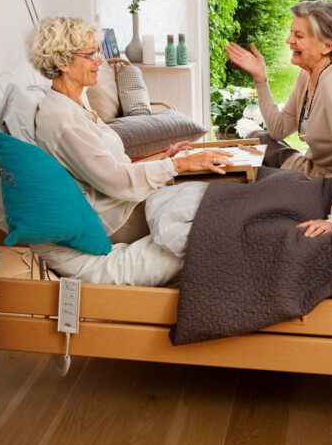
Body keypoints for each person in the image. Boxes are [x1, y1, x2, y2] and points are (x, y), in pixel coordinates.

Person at [27, 17, 232, 282]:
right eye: (90, 55)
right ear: (62, 63)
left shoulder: (77, 104)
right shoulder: (62, 120)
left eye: (98, 52)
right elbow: (114, 179)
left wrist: (163, 157)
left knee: (221, 190)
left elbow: (110, 164)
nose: (99, 61)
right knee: (218, 208)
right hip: (117, 217)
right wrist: (178, 165)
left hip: (125, 202)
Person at [225, 0, 332, 237]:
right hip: (317, 169)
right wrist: (260, 78)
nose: (289, 40)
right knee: (257, 139)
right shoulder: (308, 75)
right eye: (291, 32)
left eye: (299, 36)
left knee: (259, 164)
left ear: (327, 46)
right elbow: (279, 129)